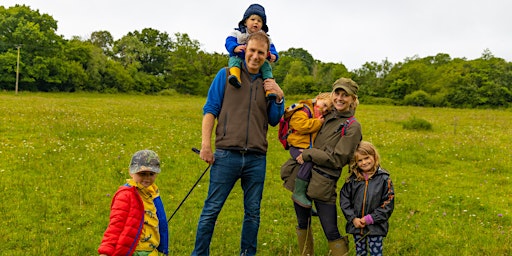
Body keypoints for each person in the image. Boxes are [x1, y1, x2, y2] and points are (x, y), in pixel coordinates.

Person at [192, 31, 285, 256]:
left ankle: (247, 253)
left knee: (252, 213)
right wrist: (206, 145)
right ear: (245, 49)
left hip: (256, 158)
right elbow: (210, 110)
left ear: (266, 55)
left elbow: (274, 120)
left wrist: (280, 98)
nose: (255, 56)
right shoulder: (225, 75)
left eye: (260, 53)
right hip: (226, 155)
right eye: (252, 50)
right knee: (211, 210)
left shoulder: (268, 83)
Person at [281, 77, 362, 256]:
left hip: (323, 183)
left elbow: (337, 160)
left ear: (353, 99)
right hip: (301, 177)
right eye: (337, 93)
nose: (340, 98)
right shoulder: (324, 116)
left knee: (330, 230)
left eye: (345, 95)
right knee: (303, 224)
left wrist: (309, 154)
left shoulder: (353, 127)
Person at [98, 150, 169, 256]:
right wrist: (105, 251)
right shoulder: (125, 195)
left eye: (151, 174)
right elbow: (115, 225)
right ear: (131, 172)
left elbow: (161, 222)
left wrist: (163, 248)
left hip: (152, 251)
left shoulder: (153, 193)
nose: (147, 178)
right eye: (142, 174)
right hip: (133, 251)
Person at [339, 141, 395, 256]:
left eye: (366, 158)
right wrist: (353, 218)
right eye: (360, 160)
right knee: (360, 253)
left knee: (376, 253)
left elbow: (388, 203)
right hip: (357, 226)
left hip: (375, 227)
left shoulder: (384, 179)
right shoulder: (352, 181)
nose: (364, 162)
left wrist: (371, 218)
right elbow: (344, 200)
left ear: (374, 156)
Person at [287, 92, 333, 208]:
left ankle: (305, 203)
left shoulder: (316, 114)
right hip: (297, 146)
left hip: (307, 147)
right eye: (324, 104)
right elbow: (300, 126)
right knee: (308, 161)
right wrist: (318, 122)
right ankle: (299, 193)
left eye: (327, 109)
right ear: (318, 98)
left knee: (312, 171)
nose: (324, 109)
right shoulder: (304, 110)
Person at [225, 3, 279, 101]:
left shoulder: (265, 37)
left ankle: (269, 89)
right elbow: (228, 42)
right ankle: (235, 77)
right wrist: (234, 48)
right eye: (253, 19)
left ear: (262, 25)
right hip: (240, 56)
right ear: (245, 22)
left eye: (259, 21)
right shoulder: (238, 32)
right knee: (233, 61)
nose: (256, 23)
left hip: (258, 62)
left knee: (267, 67)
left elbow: (272, 49)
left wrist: (274, 56)